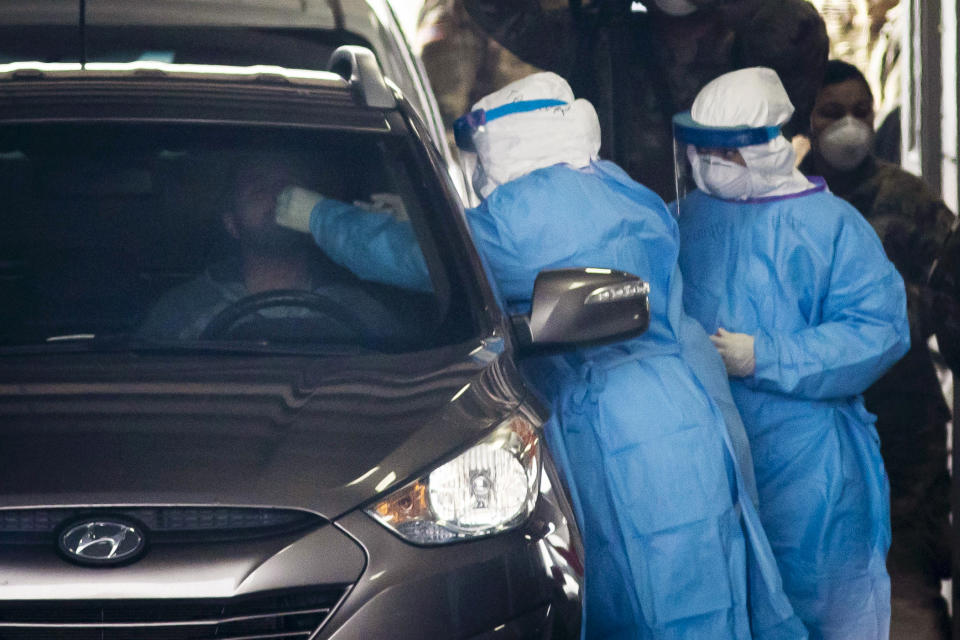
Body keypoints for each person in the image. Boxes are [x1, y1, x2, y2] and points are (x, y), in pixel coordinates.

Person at [276, 72, 806, 639]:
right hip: (688, 421)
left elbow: (417, 258)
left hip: (619, 434)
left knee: (647, 604)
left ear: (506, 143)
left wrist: (311, 214)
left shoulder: (526, 214)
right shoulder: (619, 188)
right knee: (704, 594)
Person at [673, 67, 910, 640]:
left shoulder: (831, 227)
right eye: (699, 153)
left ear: (762, 150)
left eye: (720, 155)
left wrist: (767, 357)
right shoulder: (688, 218)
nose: (706, 167)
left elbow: (879, 330)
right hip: (711, 455)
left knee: (822, 603)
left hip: (808, 468)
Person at [799, 59, 957, 640]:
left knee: (907, 579)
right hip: (823, 425)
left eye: (861, 113)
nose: (849, 125)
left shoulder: (908, 199)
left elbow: (952, 293)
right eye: (832, 112)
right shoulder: (788, 203)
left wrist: (897, 315)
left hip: (904, 422)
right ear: (807, 120)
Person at [459, 0, 828, 199]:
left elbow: (800, 36)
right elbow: (497, 10)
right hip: (631, 246)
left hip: (738, 237)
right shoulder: (598, 35)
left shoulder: (758, 37)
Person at [138, 153, 407, 343]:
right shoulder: (182, 313)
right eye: (257, 191)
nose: (277, 198)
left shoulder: (363, 313)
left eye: (288, 189)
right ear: (232, 224)